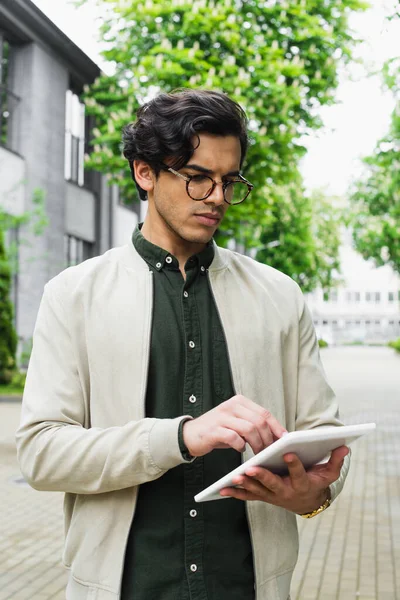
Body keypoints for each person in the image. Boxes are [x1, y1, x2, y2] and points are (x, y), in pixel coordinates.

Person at [16, 89, 350, 600]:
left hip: (246, 588)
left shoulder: (280, 295)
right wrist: (179, 438)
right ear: (144, 172)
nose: (217, 197)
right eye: (197, 178)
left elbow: (322, 435)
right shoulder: (73, 296)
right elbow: (41, 453)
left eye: (229, 181)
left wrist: (314, 493)